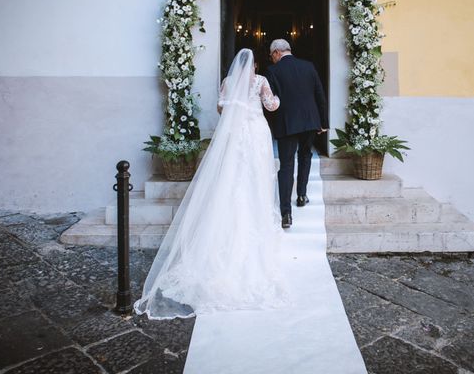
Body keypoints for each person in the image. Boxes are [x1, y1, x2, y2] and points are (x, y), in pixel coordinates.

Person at [134, 48, 289, 318]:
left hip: (233, 136)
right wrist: (276, 97)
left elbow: (221, 108)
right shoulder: (261, 81)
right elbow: (271, 106)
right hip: (255, 135)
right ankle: (257, 219)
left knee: (230, 181)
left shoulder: (228, 83)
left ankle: (222, 231)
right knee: (255, 179)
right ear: (253, 66)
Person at [264, 39, 328, 228]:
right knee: (305, 156)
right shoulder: (308, 66)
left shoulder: (272, 71)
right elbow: (320, 95)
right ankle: (301, 195)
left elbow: (270, 104)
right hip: (310, 121)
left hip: (287, 123)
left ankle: (286, 213)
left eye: (271, 55)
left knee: (286, 164)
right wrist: (322, 122)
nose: (271, 59)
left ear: (276, 52)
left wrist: (269, 123)